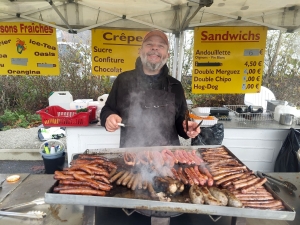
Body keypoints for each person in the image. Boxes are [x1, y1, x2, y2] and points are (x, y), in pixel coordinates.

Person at [100, 29, 200, 147]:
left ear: (167, 55)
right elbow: (107, 109)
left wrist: (187, 128)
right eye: (149, 44)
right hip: (131, 155)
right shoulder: (123, 80)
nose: (155, 48)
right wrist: (108, 117)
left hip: (167, 158)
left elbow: (180, 121)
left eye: (161, 46)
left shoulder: (176, 86)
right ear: (140, 51)